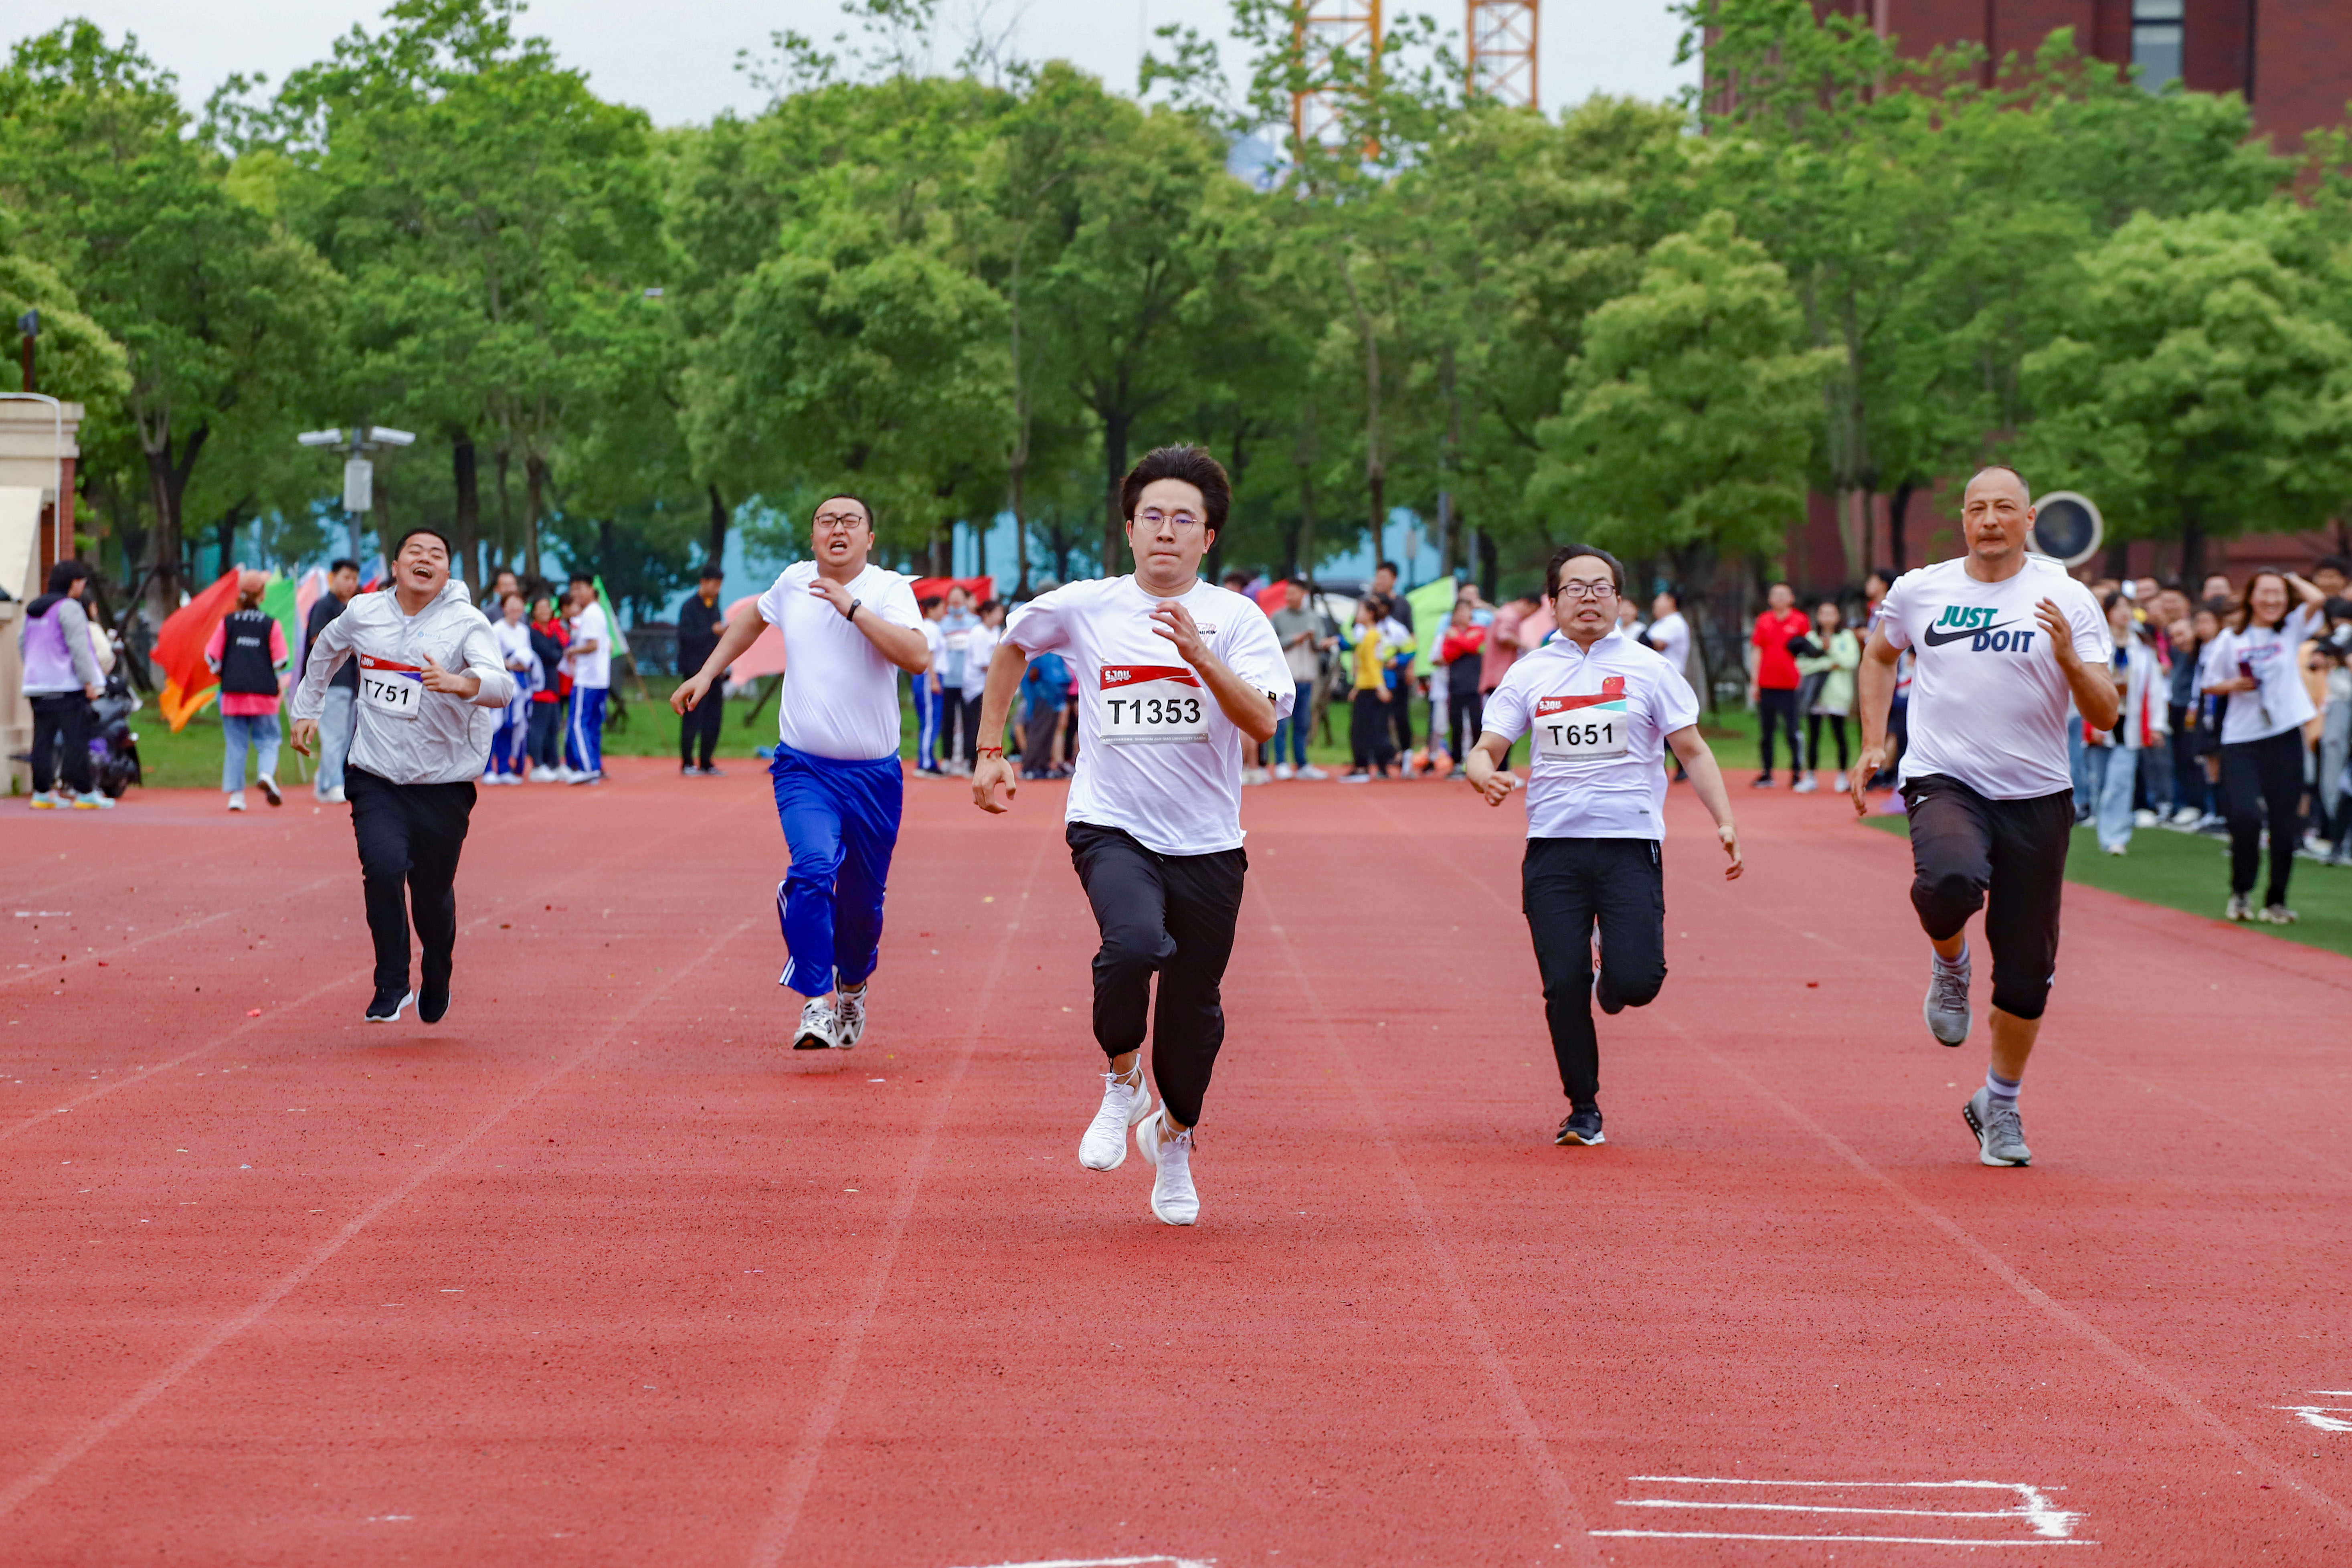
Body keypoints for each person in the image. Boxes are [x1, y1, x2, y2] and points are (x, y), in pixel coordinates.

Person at [970, 445, 1288, 1227]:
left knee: (1192, 1013)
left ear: (1207, 536)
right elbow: (1013, 644)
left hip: (1208, 843)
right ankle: (1121, 1080)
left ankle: (1172, 1137)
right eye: (1152, 516)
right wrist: (989, 748)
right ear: (1129, 528)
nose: (1165, 531)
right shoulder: (1087, 605)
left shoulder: (1236, 618)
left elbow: (1260, 721)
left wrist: (1199, 654)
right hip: (1110, 824)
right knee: (1133, 945)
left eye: (1183, 519)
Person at [1850, 466, 2115, 1169]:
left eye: (2004, 508)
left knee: (2026, 972)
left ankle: (1998, 1101)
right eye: (1977, 508)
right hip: (1945, 777)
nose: (1990, 519)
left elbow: (2105, 712)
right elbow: (1878, 655)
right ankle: (1950, 962)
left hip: (2036, 794)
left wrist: (2068, 658)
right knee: (1948, 880)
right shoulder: (1920, 589)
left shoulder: (2066, 597)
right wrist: (1874, 740)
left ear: (2028, 520)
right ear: (1963, 520)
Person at [1468, 543, 1743, 1148]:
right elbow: (1486, 747)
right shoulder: (1530, 672)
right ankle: (1582, 1108)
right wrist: (1483, 772)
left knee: (1638, 981)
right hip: (1553, 848)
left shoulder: (1649, 668)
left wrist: (1723, 820)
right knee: (1562, 983)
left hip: (1628, 844)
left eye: (1600, 587)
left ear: (1618, 599)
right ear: (1552, 602)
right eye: (1574, 587)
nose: (1587, 597)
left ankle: (1612, 979)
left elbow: (1692, 750)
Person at [670, 494, 927, 1051]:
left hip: (874, 779)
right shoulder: (792, 581)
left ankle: (852, 986)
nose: (837, 528)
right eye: (826, 520)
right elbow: (750, 620)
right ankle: (815, 1001)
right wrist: (708, 673)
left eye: (850, 521)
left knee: (863, 905)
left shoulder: (888, 589)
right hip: (803, 768)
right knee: (811, 869)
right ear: (813, 537)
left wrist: (852, 609)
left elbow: (916, 657)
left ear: (869, 538)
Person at [290, 528, 515, 1023]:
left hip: (443, 784)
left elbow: (502, 687)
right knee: (384, 867)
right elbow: (326, 650)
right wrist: (307, 707)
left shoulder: (467, 622)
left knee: (431, 898)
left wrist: (460, 682)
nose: (424, 558)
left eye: (436, 554)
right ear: (395, 567)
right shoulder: (363, 611)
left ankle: (437, 968)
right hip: (376, 773)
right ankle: (391, 982)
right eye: (415, 551)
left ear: (447, 572)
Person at [2202, 567, 2327, 922]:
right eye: (2265, 593)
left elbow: (2318, 599)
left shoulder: (2289, 630)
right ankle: (2241, 891)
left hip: (2284, 735)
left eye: (2278, 594)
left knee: (2285, 824)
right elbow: (2209, 683)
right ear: (2250, 597)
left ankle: (2276, 900)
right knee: (2245, 817)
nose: (2272, 600)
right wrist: (2233, 685)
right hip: (2242, 739)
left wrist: (2288, 577)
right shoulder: (2231, 638)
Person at [19, 560, 111, 811]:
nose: (83, 587)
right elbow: (79, 647)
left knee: (43, 740)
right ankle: (84, 792)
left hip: (37, 685)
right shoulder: (69, 608)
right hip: (67, 686)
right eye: (82, 582)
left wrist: (34, 668)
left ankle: (42, 793)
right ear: (74, 583)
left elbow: (22, 643)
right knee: (76, 740)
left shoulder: (33, 609)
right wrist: (88, 681)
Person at [2083, 591, 2168, 855]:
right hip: (2101, 718)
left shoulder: (2142, 647)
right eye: (2118, 607)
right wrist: (2090, 722)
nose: (2124, 612)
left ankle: (2115, 837)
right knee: (2099, 781)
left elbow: (2155, 687)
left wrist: (2156, 725)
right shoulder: (2095, 643)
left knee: (2120, 782)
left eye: (2127, 607)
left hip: (2130, 721)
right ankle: (2104, 830)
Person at [206, 570, 289, 812]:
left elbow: (212, 657)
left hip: (232, 694)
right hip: (264, 696)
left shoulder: (228, 622)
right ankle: (266, 775)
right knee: (268, 740)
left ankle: (236, 796)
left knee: (236, 744)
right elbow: (281, 661)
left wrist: (224, 673)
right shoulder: (271, 624)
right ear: (262, 595)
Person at [303, 558, 362, 803]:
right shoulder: (324, 606)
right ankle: (334, 784)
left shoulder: (351, 608)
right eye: (346, 578)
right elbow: (317, 640)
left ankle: (326, 782)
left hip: (349, 682)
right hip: (331, 681)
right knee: (334, 735)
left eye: (355, 579)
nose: (351, 584)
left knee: (345, 736)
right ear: (333, 578)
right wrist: (351, 647)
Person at [1268, 577, 1332, 779]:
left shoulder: (1313, 617)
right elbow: (1271, 643)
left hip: (1307, 677)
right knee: (1281, 722)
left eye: (1294, 593)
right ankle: (1281, 762)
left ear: (1304, 594)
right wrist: (1294, 639)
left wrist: (1318, 642)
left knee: (1303, 723)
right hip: (1284, 679)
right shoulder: (1278, 617)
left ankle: (1302, 763)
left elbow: (1320, 643)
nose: (1289, 597)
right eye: (1288, 593)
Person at [1795, 601, 1861, 793]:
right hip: (1815, 695)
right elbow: (1803, 665)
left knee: (1840, 735)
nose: (1828, 618)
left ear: (1838, 616)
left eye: (1832, 613)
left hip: (1838, 694)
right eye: (1824, 613)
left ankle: (1842, 776)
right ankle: (1810, 777)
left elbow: (1850, 661)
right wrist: (1828, 664)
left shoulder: (1846, 637)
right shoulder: (1811, 637)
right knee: (1813, 736)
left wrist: (1830, 650)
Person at [1749, 582, 1810, 788]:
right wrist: (1755, 682)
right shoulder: (1764, 620)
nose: (1780, 598)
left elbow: (1807, 649)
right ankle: (1767, 772)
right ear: (1770, 599)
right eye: (1776, 595)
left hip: (1790, 684)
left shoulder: (1800, 621)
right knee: (1766, 731)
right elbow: (1757, 650)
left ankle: (1797, 772)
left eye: (1784, 594)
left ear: (1792, 598)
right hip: (1767, 683)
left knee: (1792, 730)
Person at [676, 564, 730, 777]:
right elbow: (686, 637)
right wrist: (711, 631)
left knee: (714, 717)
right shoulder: (689, 607)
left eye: (720, 586)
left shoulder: (714, 606)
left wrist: (722, 665)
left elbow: (717, 641)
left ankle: (707, 761)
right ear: (703, 582)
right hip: (694, 670)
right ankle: (688, 762)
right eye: (714, 585)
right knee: (693, 716)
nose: (717, 590)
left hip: (713, 672)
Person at [561, 573, 609, 785]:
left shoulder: (590, 614)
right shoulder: (598, 612)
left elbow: (593, 645)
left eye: (580, 588)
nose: (576, 593)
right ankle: (595, 765)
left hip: (587, 678)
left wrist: (572, 650)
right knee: (592, 724)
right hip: (600, 678)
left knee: (578, 724)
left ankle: (587, 767)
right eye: (573, 589)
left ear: (591, 589)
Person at [1343, 597, 1396, 781]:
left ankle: (1364, 767)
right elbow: (1365, 667)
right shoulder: (1368, 635)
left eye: (1361, 611)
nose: (1357, 615)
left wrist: (1380, 687)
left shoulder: (1373, 636)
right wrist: (1357, 688)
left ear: (1370, 614)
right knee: (1367, 728)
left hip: (1372, 689)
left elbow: (1374, 665)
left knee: (1364, 729)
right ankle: (1374, 766)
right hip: (1366, 687)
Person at [487, 592, 536, 783]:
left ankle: (505, 768)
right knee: (495, 726)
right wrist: (510, 664)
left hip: (520, 686)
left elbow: (529, 657)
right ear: (504, 607)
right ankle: (489, 769)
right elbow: (491, 657)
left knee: (512, 726)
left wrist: (524, 665)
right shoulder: (497, 629)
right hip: (501, 682)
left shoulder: (524, 631)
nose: (515, 608)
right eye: (511, 604)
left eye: (519, 604)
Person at [1437, 599, 1487, 777]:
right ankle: (1457, 763)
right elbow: (1447, 655)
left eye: (1467, 611)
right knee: (1456, 724)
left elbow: (1476, 647)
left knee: (1476, 724)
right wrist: (1464, 642)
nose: (1463, 615)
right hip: (1456, 685)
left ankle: (1476, 762)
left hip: (1474, 685)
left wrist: (1457, 639)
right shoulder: (1449, 633)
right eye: (1460, 612)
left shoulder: (1479, 630)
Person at [935, 584, 978, 775]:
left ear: (966, 601)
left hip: (969, 682)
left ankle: (969, 760)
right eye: (953, 601)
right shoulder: (942, 625)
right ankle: (947, 759)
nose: (956, 604)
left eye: (959, 601)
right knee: (948, 721)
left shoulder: (975, 623)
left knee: (971, 722)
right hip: (948, 681)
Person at [526, 594, 568, 781]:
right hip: (539, 688)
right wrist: (557, 654)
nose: (545, 611)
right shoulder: (532, 633)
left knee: (553, 728)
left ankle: (555, 764)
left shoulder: (552, 632)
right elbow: (552, 655)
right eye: (541, 608)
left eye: (548, 607)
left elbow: (559, 652)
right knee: (538, 728)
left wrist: (557, 654)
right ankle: (537, 765)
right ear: (534, 611)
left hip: (553, 686)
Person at [1020, 648, 1071, 779]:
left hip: (1055, 696)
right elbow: (1032, 674)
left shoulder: (1053, 651)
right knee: (1039, 732)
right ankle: (1030, 766)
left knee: (1049, 733)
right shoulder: (1039, 651)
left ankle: (1042, 766)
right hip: (1042, 696)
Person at [965, 599, 1005, 762]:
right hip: (976, 686)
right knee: (976, 724)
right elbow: (982, 663)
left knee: (989, 723)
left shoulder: (995, 631)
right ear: (987, 614)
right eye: (998, 612)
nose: (1001, 616)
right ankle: (972, 760)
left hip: (990, 685)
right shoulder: (978, 632)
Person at [913, 595, 946, 776]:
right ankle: (925, 762)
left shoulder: (931, 627)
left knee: (931, 720)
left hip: (930, 676)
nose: (944, 612)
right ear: (932, 610)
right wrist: (933, 679)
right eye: (941, 608)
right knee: (930, 720)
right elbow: (929, 654)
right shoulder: (931, 628)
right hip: (929, 677)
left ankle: (928, 759)